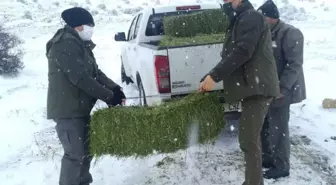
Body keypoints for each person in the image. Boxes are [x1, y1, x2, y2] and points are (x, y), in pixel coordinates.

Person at [199, 0, 281, 184]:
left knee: (248, 140)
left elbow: (243, 51)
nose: (224, 2)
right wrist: (208, 77)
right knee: (249, 139)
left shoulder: (251, 17)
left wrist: (215, 76)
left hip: (258, 89)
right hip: (250, 88)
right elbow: (231, 55)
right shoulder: (240, 18)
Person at [46, 7, 126, 185]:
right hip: (68, 110)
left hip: (79, 108)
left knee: (85, 153)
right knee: (75, 155)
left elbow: (95, 73)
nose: (92, 29)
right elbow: (80, 78)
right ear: (78, 26)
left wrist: (115, 89)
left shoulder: (79, 44)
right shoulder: (64, 44)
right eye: (89, 25)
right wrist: (108, 96)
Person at [257, 0, 306, 179]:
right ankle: (268, 158)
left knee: (279, 128)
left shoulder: (290, 33)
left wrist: (282, 87)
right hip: (267, 89)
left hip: (283, 90)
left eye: (263, 18)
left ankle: (282, 166)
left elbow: (295, 64)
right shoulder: (265, 32)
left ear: (271, 18)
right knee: (266, 125)